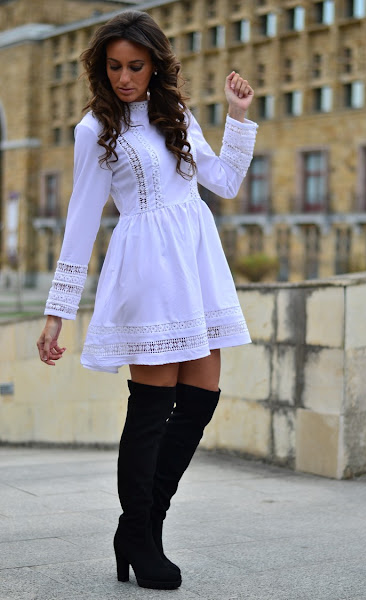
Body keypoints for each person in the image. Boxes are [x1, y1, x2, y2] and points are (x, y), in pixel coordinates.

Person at [37, 9, 257, 591]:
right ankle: (142, 535)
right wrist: (58, 312)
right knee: (151, 413)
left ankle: (139, 528)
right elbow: (81, 220)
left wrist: (237, 117)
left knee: (202, 397)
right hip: (147, 271)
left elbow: (224, 182)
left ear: (156, 65)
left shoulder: (176, 113)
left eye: (135, 66)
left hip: (195, 265)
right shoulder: (94, 129)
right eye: (114, 67)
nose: (124, 78)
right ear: (101, 69)